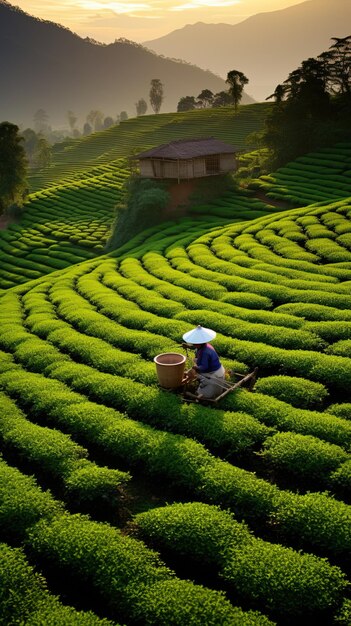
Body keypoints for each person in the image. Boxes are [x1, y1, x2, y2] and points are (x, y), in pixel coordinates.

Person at [182, 325, 225, 399]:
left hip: (214, 374)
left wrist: (195, 367)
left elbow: (204, 367)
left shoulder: (205, 352)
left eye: (195, 343)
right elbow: (196, 350)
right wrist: (188, 346)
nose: (193, 344)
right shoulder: (205, 346)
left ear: (200, 342)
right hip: (217, 370)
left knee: (204, 393)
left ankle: (204, 395)